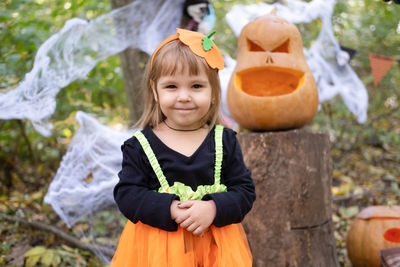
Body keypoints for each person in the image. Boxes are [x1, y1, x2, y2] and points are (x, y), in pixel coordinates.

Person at [111, 28, 256, 267]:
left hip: (216, 252)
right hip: (157, 254)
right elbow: (127, 195)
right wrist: (170, 209)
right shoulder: (140, 146)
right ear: (155, 91)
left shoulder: (224, 141)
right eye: (172, 87)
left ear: (213, 92)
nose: (184, 96)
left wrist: (213, 208)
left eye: (196, 86)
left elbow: (244, 191)